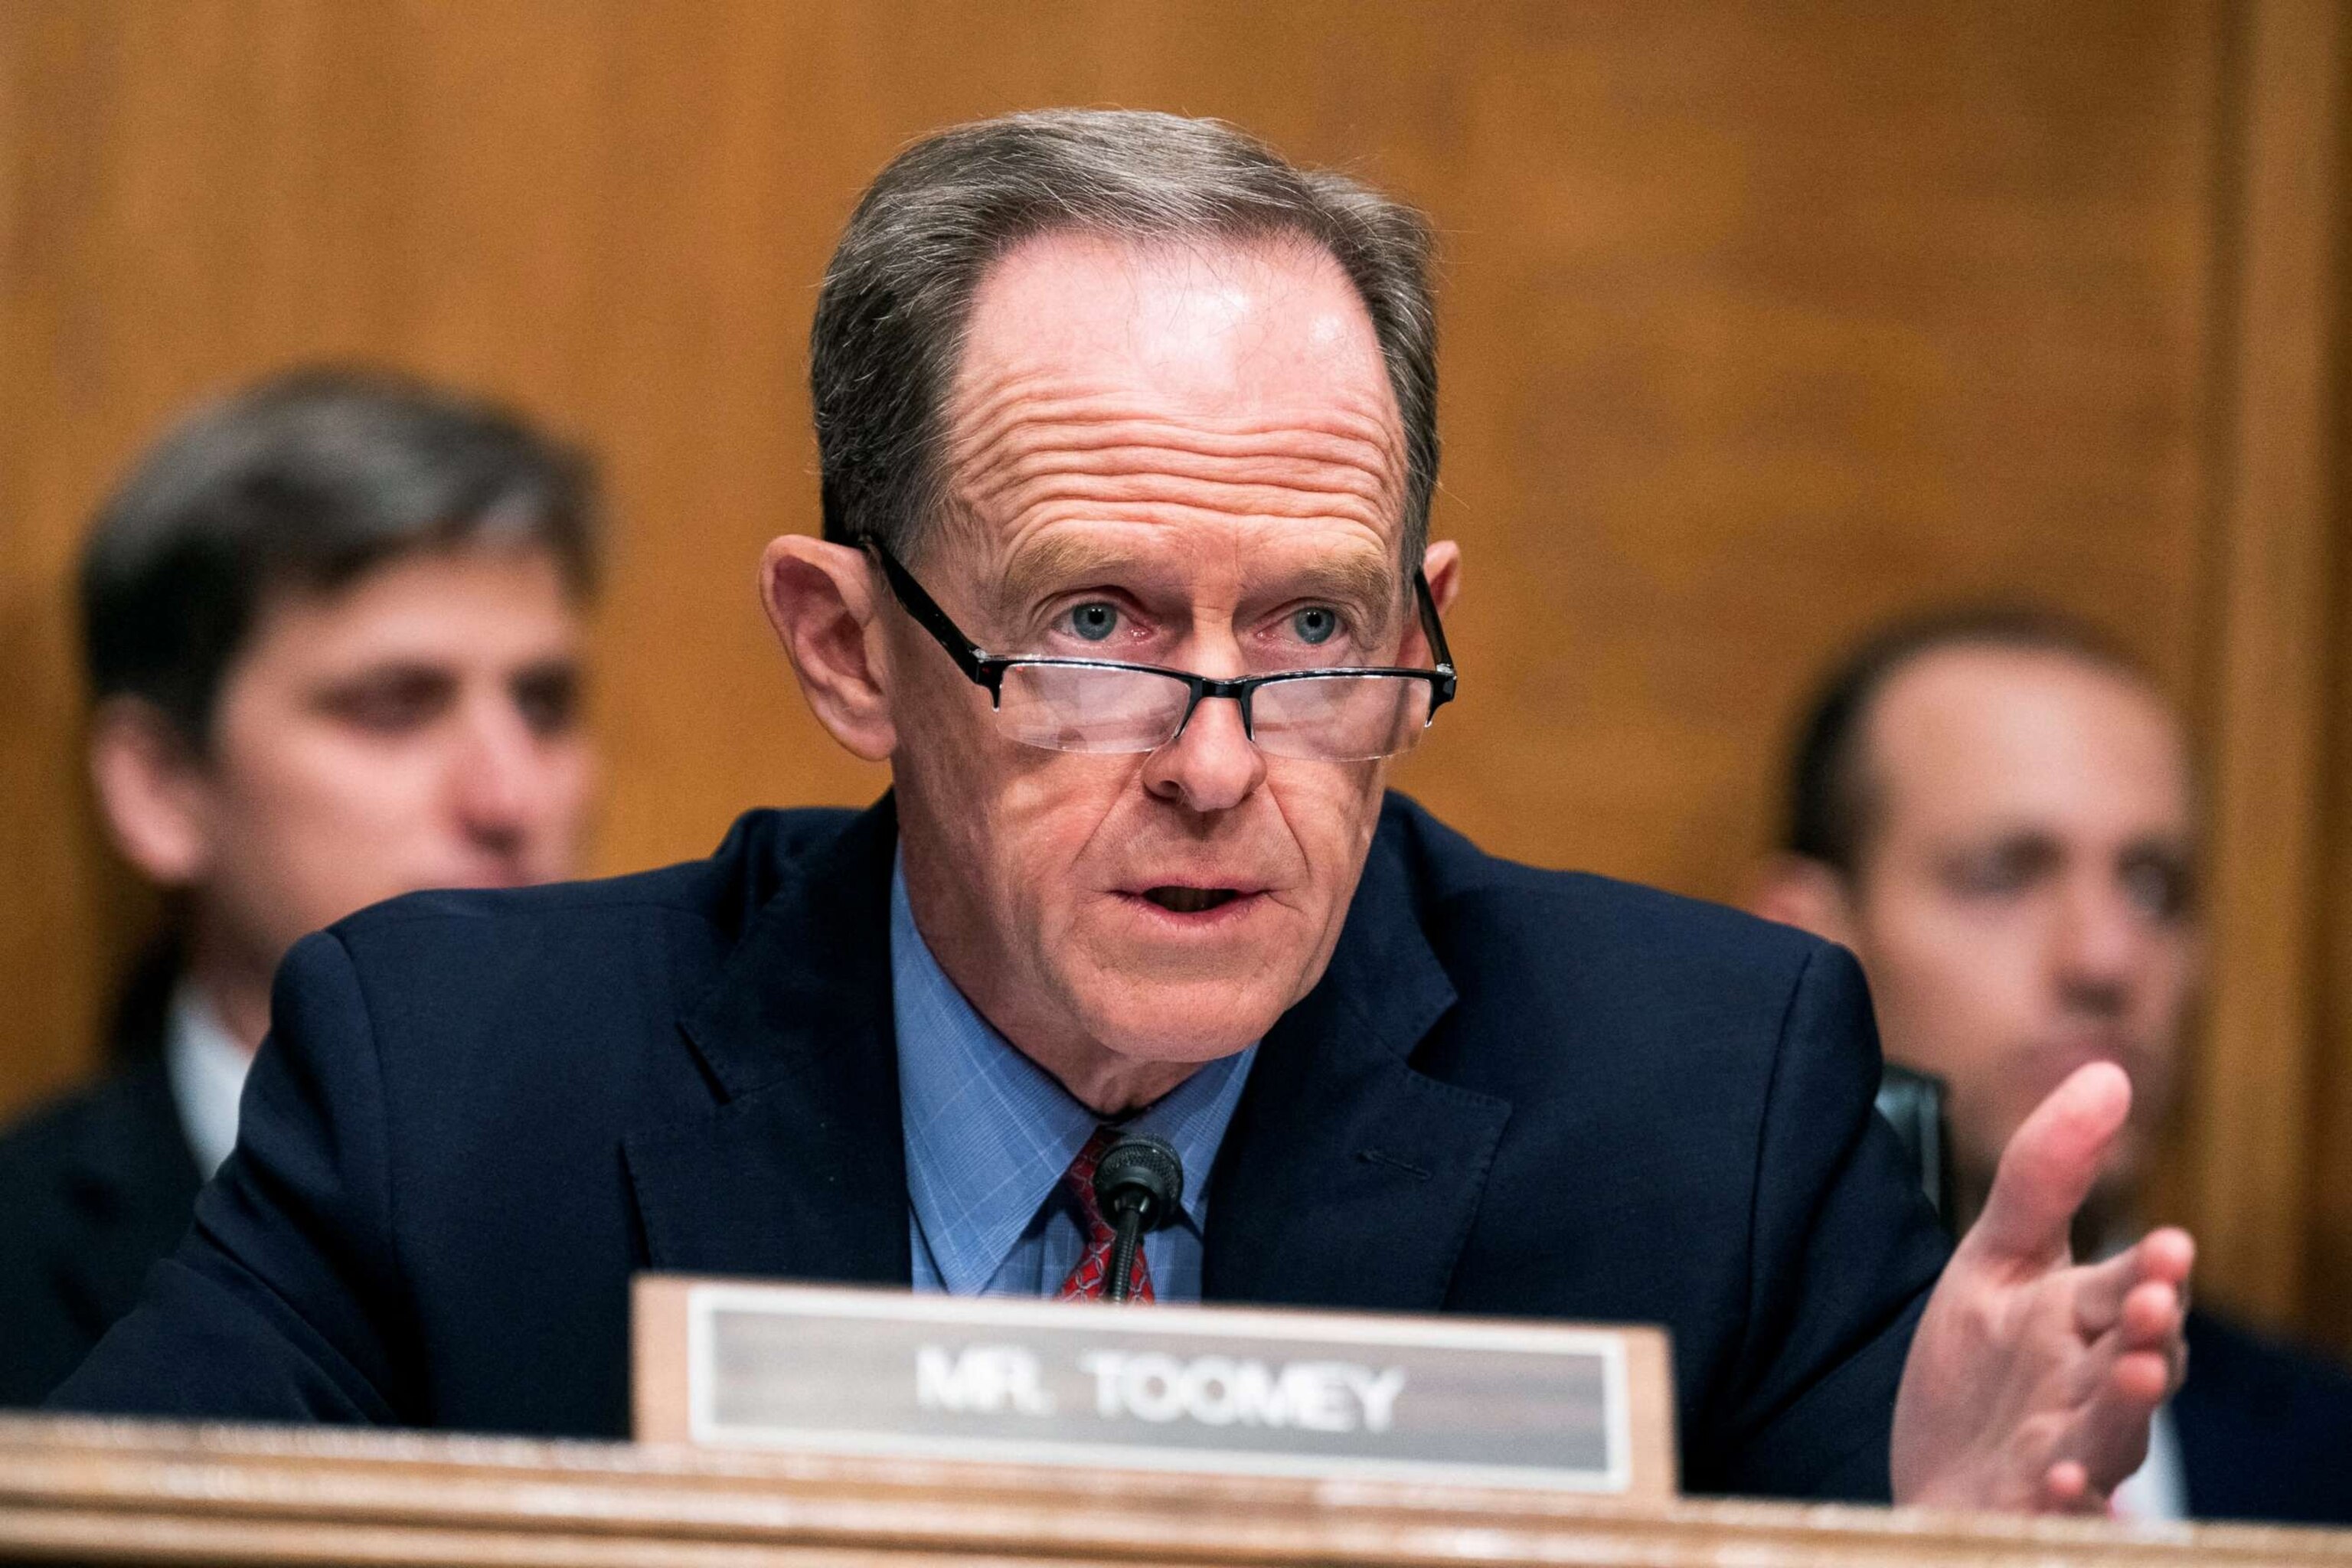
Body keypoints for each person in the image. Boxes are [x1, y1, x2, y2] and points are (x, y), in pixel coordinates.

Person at [53, 111, 2190, 1513]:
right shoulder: (462, 1090)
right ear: (845, 646)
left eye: (1318, 626)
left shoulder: (1699, 1105)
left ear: (1429, 622)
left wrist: (1927, 1556)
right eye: (1094, 621)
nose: (1219, 757)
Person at [0, 367, 601, 1406]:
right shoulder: (17, 1244)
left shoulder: (721, 1207)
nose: (508, 798)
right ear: (161, 788)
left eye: (543, 705)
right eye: (393, 706)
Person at [1752, 609, 2352, 1525]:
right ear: (1805, 936)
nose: (2107, 958)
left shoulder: (2326, 1450)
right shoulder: (1688, 1412)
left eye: (2154, 886)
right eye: (2005, 872)